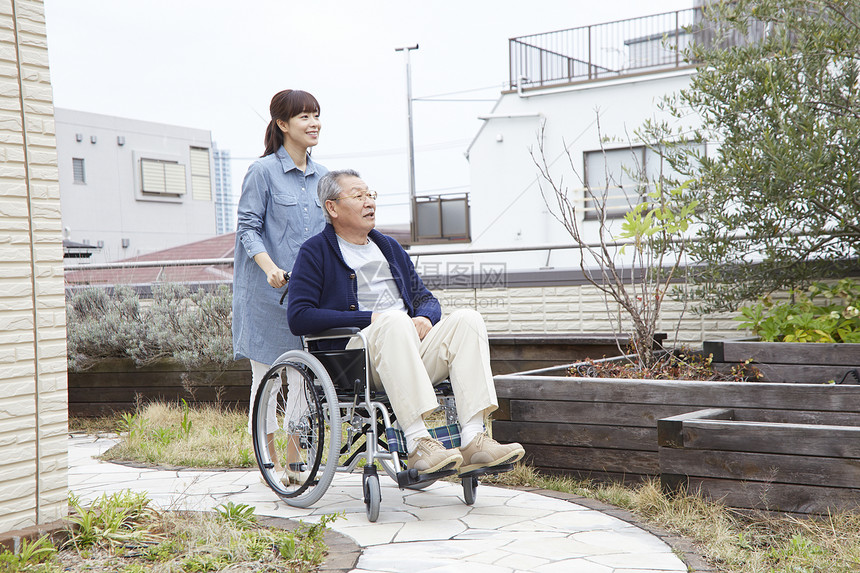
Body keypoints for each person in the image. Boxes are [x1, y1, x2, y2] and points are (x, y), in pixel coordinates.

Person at [287, 169, 525, 475]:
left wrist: (425, 317)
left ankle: (473, 439)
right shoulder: (315, 252)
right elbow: (299, 316)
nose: (369, 202)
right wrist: (371, 318)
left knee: (468, 319)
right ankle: (417, 443)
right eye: (358, 196)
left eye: (370, 195)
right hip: (359, 361)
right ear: (332, 208)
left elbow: (425, 298)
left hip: (409, 352)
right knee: (395, 321)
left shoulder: (388, 247)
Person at [232, 89, 326, 484]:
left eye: (316, 115)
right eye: (304, 116)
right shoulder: (262, 171)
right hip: (264, 292)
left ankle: (294, 453)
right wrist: (270, 268)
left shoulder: (325, 177)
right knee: (267, 376)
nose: (313, 122)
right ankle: (270, 458)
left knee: (305, 375)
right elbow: (248, 229)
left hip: (306, 295)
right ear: (283, 125)